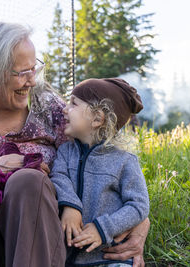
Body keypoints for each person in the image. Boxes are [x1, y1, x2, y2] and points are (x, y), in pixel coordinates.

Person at [0, 21, 150, 267]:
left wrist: (139, 222)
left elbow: (90, 164)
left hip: (37, 238)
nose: (31, 80)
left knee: (28, 180)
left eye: (34, 68)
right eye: (22, 72)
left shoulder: (47, 106)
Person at [50, 78, 150, 267]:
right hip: (69, 260)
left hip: (109, 257)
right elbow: (58, 177)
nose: (64, 109)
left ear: (97, 118)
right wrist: (71, 206)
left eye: (73, 104)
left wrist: (102, 228)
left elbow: (139, 205)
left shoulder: (124, 161)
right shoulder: (65, 152)